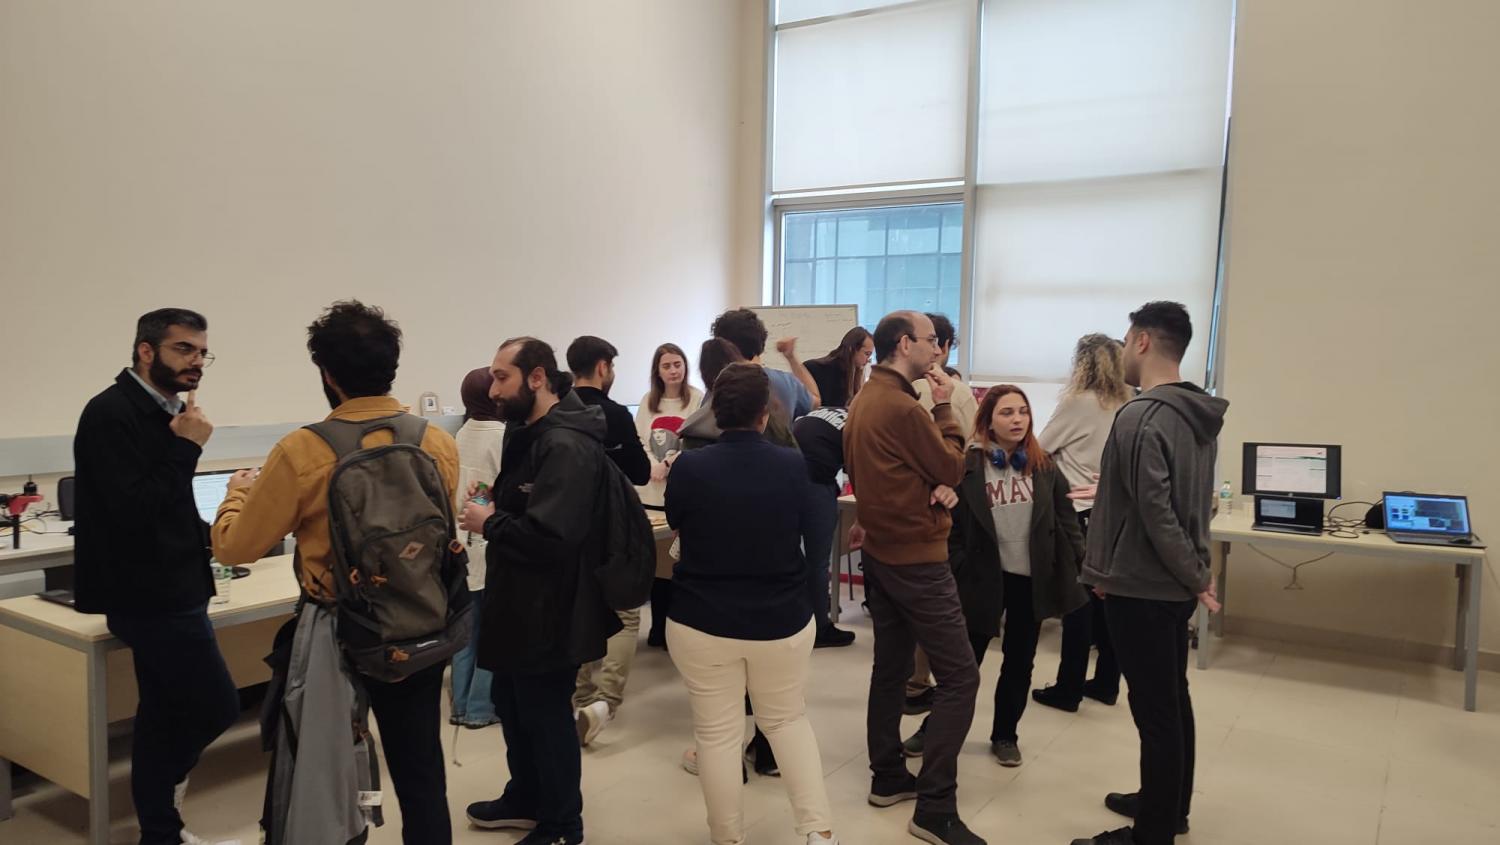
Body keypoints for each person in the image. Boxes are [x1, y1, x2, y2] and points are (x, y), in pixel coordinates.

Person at [212, 301, 459, 845]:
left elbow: (234, 548)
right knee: (420, 767)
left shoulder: (302, 450)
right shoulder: (435, 441)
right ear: (392, 365)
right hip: (418, 622)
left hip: (336, 632)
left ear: (327, 374)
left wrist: (236, 494)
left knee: (326, 770)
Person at [73, 308, 239, 845]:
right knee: (215, 706)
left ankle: (159, 832)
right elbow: (134, 510)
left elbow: (168, 507)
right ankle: (165, 789)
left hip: (178, 584)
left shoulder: (169, 411)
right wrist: (187, 446)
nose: (197, 362)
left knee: (162, 713)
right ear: (146, 351)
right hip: (148, 595)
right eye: (183, 349)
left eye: (202, 352)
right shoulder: (110, 413)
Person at [1071, 302, 1228, 845]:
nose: (1121, 352)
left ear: (1141, 341)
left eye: (1126, 339)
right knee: (1172, 699)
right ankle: (1167, 803)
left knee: (1156, 711)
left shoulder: (1140, 415)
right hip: (1169, 584)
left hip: (1144, 585)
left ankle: (1153, 832)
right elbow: (1180, 499)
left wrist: (1197, 578)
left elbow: (1157, 512)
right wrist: (1195, 573)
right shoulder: (1194, 411)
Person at [666, 363, 840, 845]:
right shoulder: (795, 466)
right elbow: (810, 535)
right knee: (787, 721)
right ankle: (819, 832)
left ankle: (728, 837)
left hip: (701, 620)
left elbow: (677, 521)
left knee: (717, 735)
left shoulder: (690, 468)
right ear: (766, 414)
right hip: (781, 619)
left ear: (716, 415)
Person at [460, 337, 620, 845]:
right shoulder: (527, 432)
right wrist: (491, 502)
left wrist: (490, 524)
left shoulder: (566, 444)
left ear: (536, 378)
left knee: (545, 714)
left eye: (501, 377)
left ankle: (561, 825)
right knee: (511, 702)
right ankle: (526, 797)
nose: (493, 389)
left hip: (551, 608)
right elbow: (526, 503)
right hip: (518, 600)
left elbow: (554, 535)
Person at [843, 310, 983, 845]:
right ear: (905, 344)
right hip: (917, 560)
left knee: (892, 668)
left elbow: (883, 473)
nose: (937, 350)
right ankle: (935, 807)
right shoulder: (903, 406)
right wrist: (945, 406)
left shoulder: (866, 397)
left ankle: (888, 776)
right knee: (960, 677)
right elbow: (950, 466)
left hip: (882, 552)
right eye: (930, 341)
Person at [901, 386, 1087, 767]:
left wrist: (1079, 567)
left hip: (1029, 582)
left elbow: (1067, 524)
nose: (1017, 420)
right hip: (982, 579)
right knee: (963, 665)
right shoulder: (967, 467)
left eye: (1023, 412)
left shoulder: (1044, 467)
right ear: (987, 421)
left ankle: (1005, 735)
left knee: (1020, 663)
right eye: (1007, 413)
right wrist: (958, 566)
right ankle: (934, 729)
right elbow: (949, 525)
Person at [1032, 334, 1132, 713]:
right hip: (1112, 513)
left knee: (1077, 604)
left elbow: (1040, 448)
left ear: (1083, 363)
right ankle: (1106, 683)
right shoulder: (1128, 403)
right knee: (1107, 602)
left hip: (1077, 512)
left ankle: (1068, 689)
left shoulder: (1079, 403)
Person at [565, 335, 651, 746]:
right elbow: (639, 471)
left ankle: (578, 698)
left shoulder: (556, 411)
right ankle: (605, 703)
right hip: (613, 526)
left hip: (567, 526)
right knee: (626, 613)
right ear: (602, 367)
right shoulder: (614, 414)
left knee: (576, 606)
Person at [906, 313, 981, 716]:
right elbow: (967, 452)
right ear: (944, 347)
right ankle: (923, 681)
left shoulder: (888, 390)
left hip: (899, 510)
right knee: (937, 605)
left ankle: (911, 681)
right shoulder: (956, 394)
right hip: (944, 510)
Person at [451, 367, 505, 729]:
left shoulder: (460, 433)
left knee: (466, 631)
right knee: (493, 632)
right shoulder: (501, 435)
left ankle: (459, 705)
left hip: (461, 541)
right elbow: (497, 490)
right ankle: (481, 708)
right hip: (489, 539)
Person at [791, 405, 857, 648]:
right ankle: (820, 628)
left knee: (787, 554)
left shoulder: (827, 411)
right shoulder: (861, 427)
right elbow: (862, 474)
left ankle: (793, 619)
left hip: (783, 475)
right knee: (817, 561)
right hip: (816, 484)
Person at [711, 307, 818, 421]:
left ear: (722, 347)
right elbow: (815, 402)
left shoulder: (719, 385)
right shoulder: (786, 382)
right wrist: (791, 357)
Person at [635, 342, 703, 511]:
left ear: (685, 366)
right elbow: (639, 439)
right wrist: (654, 466)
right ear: (657, 371)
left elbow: (695, 444)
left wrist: (666, 465)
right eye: (666, 366)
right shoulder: (648, 400)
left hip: (681, 489)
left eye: (677, 365)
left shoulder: (698, 398)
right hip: (650, 490)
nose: (673, 371)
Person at [803, 326, 873, 409]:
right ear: (851, 349)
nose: (868, 360)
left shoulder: (853, 373)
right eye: (867, 354)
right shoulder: (820, 369)